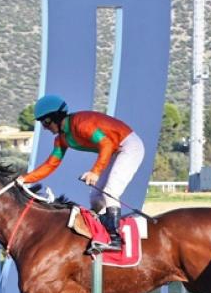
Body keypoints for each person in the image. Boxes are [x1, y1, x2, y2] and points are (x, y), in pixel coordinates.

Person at [18, 95, 145, 251]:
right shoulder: (61, 139)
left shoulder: (82, 123)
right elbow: (51, 164)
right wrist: (25, 179)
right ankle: (100, 231)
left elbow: (106, 143)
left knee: (110, 191)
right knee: (95, 197)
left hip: (129, 147)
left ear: (56, 117)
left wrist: (95, 172)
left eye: (45, 122)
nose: (44, 127)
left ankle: (115, 240)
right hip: (115, 151)